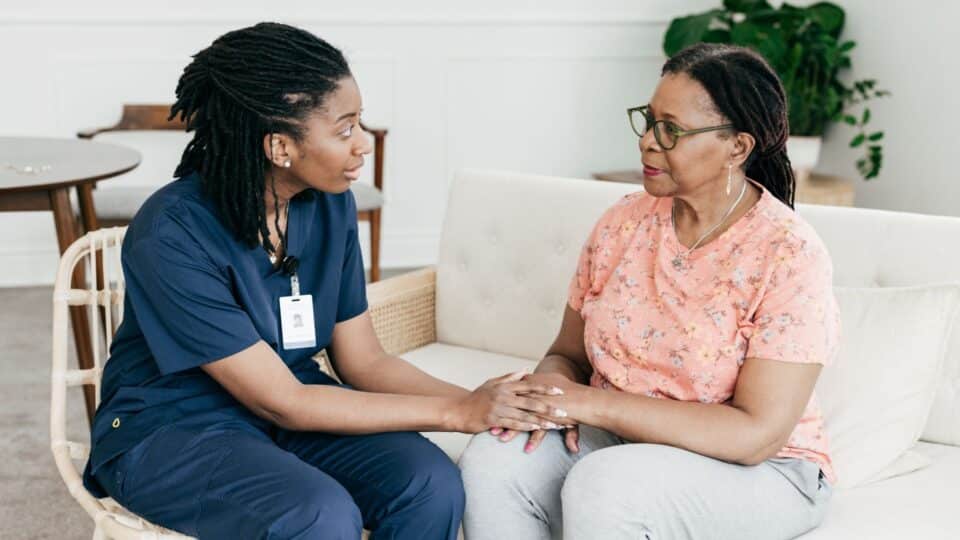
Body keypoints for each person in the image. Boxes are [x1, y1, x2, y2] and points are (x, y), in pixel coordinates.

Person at [82, 22, 564, 540]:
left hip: (291, 407)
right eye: (345, 129)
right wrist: (457, 412)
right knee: (317, 515)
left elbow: (366, 362)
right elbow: (281, 401)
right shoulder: (171, 232)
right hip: (174, 428)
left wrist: (487, 404)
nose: (363, 145)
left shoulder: (331, 205)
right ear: (278, 146)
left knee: (430, 483)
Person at [460, 43, 841, 540]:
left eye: (672, 130)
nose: (647, 142)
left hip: (764, 471)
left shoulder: (788, 253)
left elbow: (755, 435)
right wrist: (548, 397)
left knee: (607, 485)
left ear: (737, 147)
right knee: (494, 459)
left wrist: (588, 406)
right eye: (649, 120)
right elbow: (567, 356)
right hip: (618, 441)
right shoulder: (622, 222)